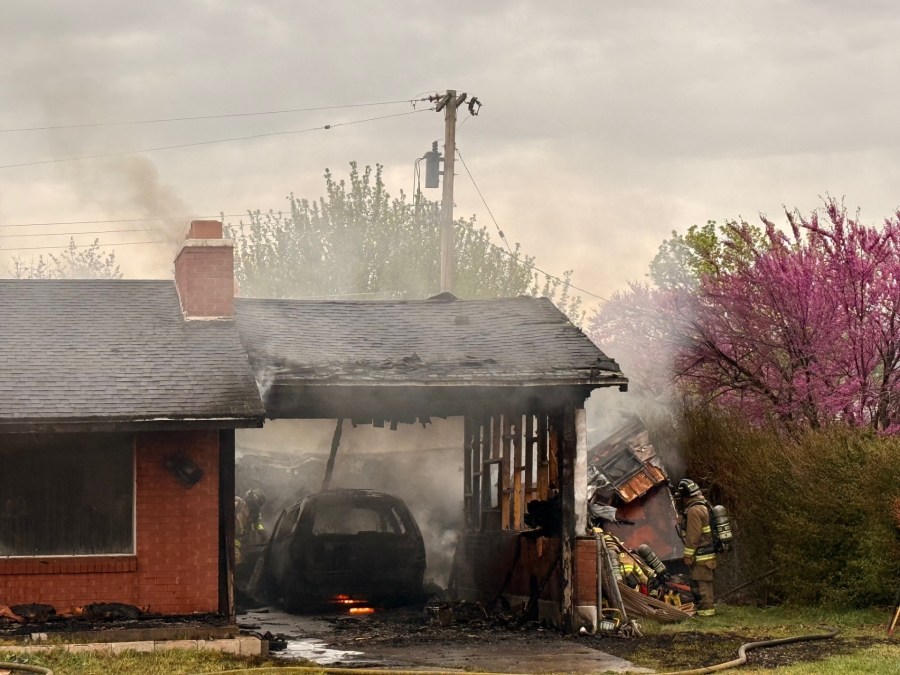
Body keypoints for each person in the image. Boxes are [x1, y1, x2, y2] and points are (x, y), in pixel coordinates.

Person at [678, 478, 717, 616]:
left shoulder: (694, 510)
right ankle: (705, 610)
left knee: (702, 583)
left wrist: (688, 555)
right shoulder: (703, 505)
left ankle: (707, 613)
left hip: (701, 553)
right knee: (703, 582)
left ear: (686, 496)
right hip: (706, 552)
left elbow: (693, 536)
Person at [234, 489, 267, 566]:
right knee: (236, 560)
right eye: (251, 504)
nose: (251, 508)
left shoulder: (255, 514)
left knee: (240, 561)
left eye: (253, 506)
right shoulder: (238, 503)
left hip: (240, 543)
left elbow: (258, 524)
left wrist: (262, 533)